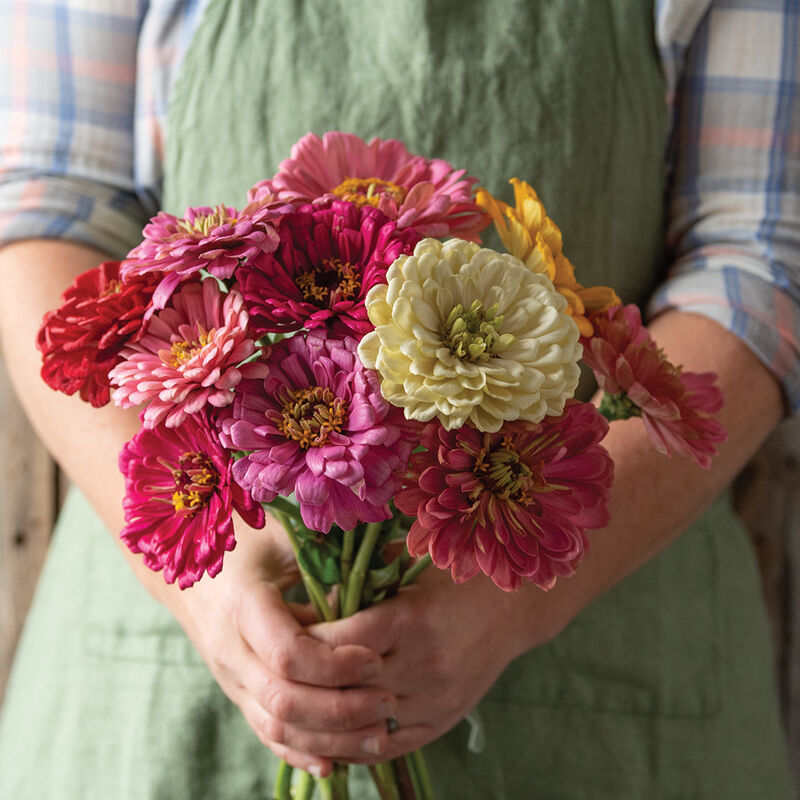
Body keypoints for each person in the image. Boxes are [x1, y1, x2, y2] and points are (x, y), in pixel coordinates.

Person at [0, 0, 796, 797]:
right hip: (173, 639)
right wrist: (207, 564)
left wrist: (511, 600)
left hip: (597, 619)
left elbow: (758, 256)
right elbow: (46, 205)